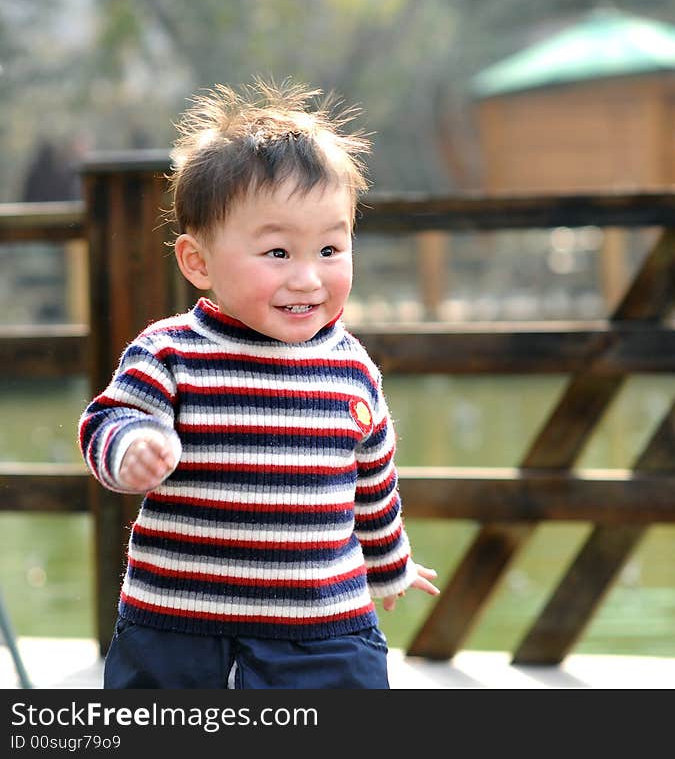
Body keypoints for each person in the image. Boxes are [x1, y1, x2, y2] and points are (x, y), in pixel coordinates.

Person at [78, 79, 439, 689]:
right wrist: (132, 448)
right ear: (199, 263)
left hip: (324, 629)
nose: (307, 278)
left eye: (330, 248)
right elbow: (107, 422)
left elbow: (372, 487)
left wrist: (389, 565)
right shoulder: (171, 352)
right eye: (276, 252)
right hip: (180, 627)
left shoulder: (352, 369)